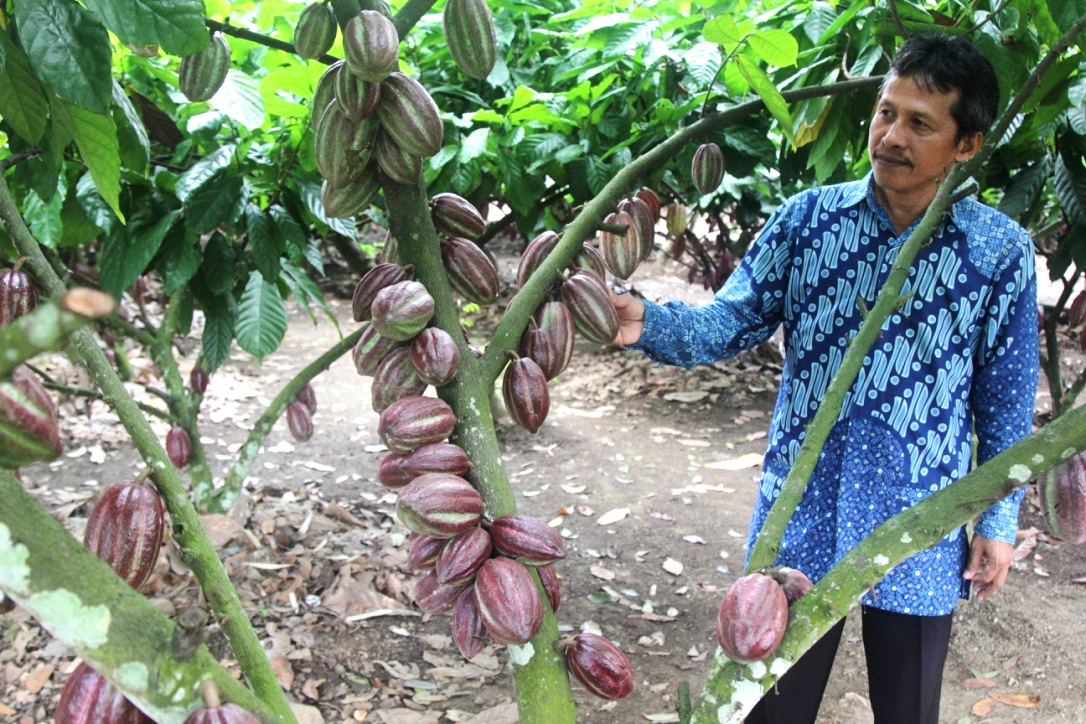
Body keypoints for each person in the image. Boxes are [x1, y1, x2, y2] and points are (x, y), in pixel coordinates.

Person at [612, 32, 1038, 723]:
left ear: (968, 145)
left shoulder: (997, 252)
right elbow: (731, 320)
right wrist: (648, 323)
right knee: (770, 705)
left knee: (908, 709)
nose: (891, 136)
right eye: (885, 113)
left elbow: (1006, 400)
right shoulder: (809, 222)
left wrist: (996, 518)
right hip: (800, 510)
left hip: (916, 520)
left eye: (920, 124)